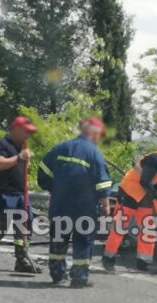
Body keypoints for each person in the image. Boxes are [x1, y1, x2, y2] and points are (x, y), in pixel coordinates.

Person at [38, 117, 112, 288]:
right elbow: (103, 183)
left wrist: (52, 189)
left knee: (58, 239)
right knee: (83, 241)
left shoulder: (61, 147)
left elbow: (43, 171)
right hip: (83, 208)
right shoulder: (94, 154)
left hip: (60, 204)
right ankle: (79, 278)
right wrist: (106, 205)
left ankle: (57, 275)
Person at [0, 116, 41, 273]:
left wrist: (25, 158)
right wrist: (19, 158)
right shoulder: (2, 145)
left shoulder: (22, 147)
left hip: (20, 193)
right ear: (17, 130)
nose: (28, 136)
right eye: (26, 132)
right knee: (2, 225)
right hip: (5, 192)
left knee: (25, 224)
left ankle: (21, 260)